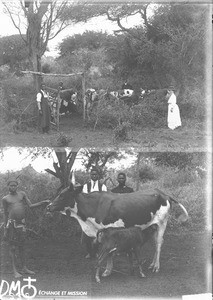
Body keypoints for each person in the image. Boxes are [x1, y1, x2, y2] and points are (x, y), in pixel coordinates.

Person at [2, 178, 50, 278]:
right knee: (12, 248)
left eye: (15, 185)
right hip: (11, 225)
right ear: (8, 187)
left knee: (22, 246)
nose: (13, 187)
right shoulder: (5, 199)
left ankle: (24, 268)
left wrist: (42, 202)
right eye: (11, 185)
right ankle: (15, 270)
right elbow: (5, 214)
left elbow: (31, 205)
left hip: (21, 224)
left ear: (17, 186)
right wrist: (5, 229)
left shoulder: (22, 194)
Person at [82, 167, 107, 258]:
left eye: (96, 174)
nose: (94, 176)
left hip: (98, 212)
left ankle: (96, 252)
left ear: (98, 176)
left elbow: (104, 199)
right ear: (90, 175)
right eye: (92, 174)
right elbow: (85, 199)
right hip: (88, 213)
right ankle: (89, 252)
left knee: (98, 232)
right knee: (87, 232)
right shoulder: (86, 186)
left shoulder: (102, 186)